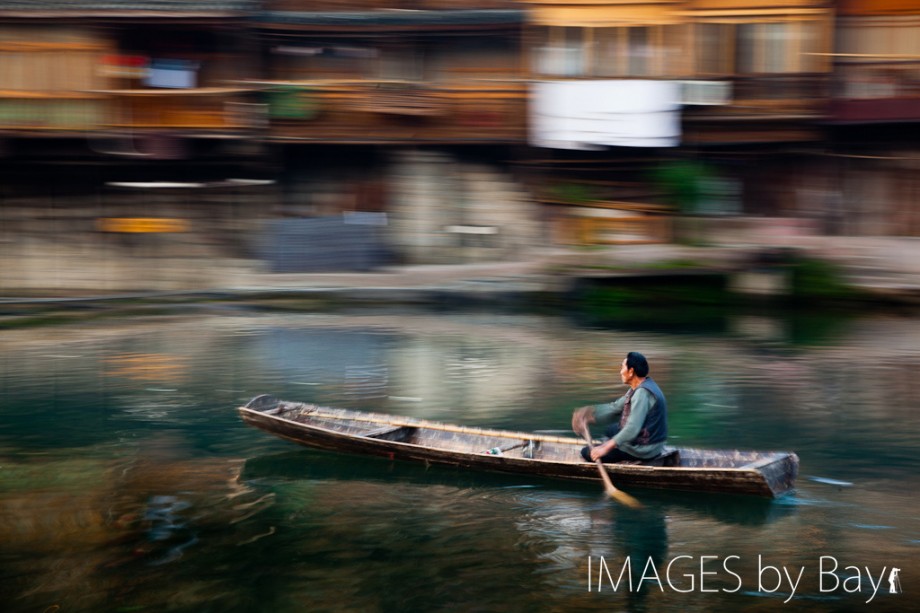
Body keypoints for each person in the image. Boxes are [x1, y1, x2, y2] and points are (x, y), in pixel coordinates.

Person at [571, 351, 667, 463]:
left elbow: (632, 429)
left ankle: (623, 452)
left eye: (622, 367)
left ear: (631, 371)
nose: (620, 372)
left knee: (586, 452)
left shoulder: (642, 393)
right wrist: (587, 414)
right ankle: (615, 446)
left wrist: (606, 448)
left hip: (645, 449)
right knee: (611, 430)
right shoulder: (640, 386)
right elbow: (615, 407)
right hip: (650, 441)